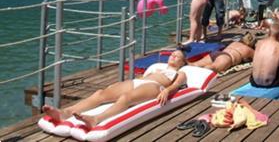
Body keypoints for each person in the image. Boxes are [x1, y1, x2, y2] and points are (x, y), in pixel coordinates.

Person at [43, 49, 188, 128]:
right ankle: (65, 113)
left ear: (182, 62)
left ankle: (96, 119)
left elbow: (175, 85)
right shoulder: (156, 67)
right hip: (138, 82)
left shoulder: (180, 73)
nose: (173, 57)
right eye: (172, 55)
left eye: (177, 57)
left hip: (156, 87)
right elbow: (141, 78)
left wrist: (167, 91)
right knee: (101, 93)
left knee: (125, 98)